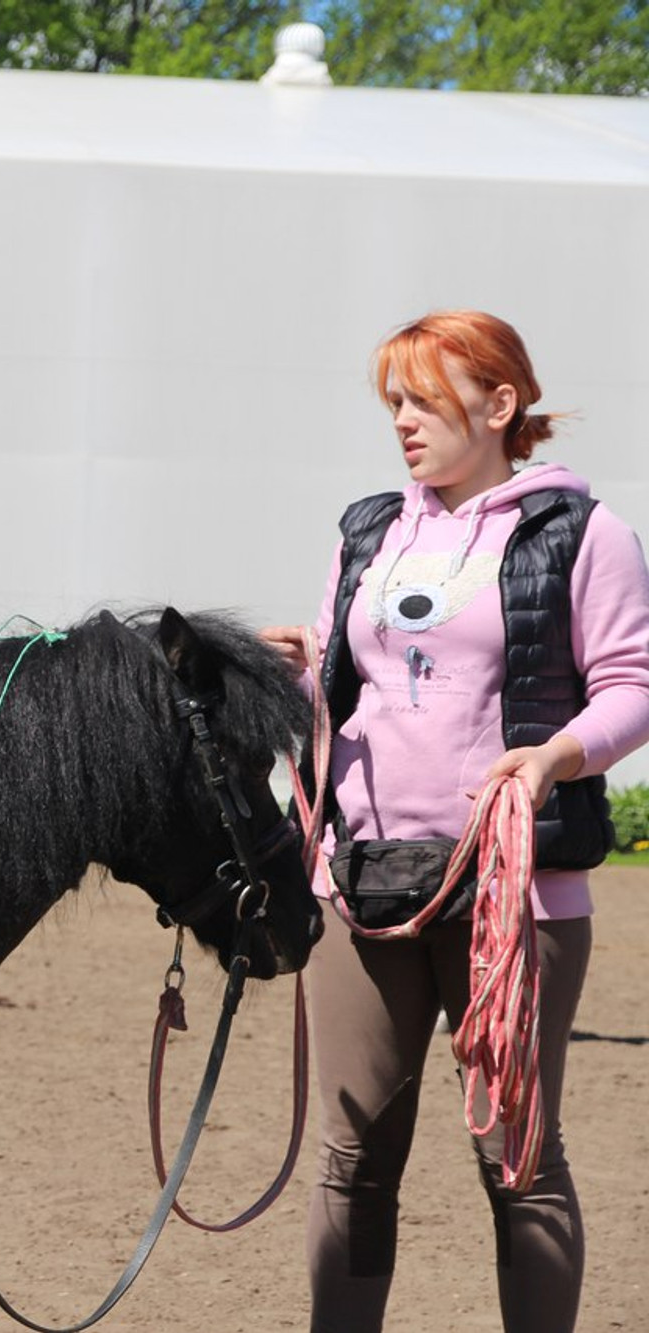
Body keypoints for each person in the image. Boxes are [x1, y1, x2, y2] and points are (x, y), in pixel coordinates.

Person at [260, 311, 649, 1333]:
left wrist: (553, 757)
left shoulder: (584, 533)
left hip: (511, 895)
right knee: (348, 1162)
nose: (400, 422)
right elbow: (349, 697)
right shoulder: (365, 531)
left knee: (517, 1161)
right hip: (358, 886)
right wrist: (296, 678)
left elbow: (630, 685)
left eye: (421, 400)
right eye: (392, 401)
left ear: (498, 404)